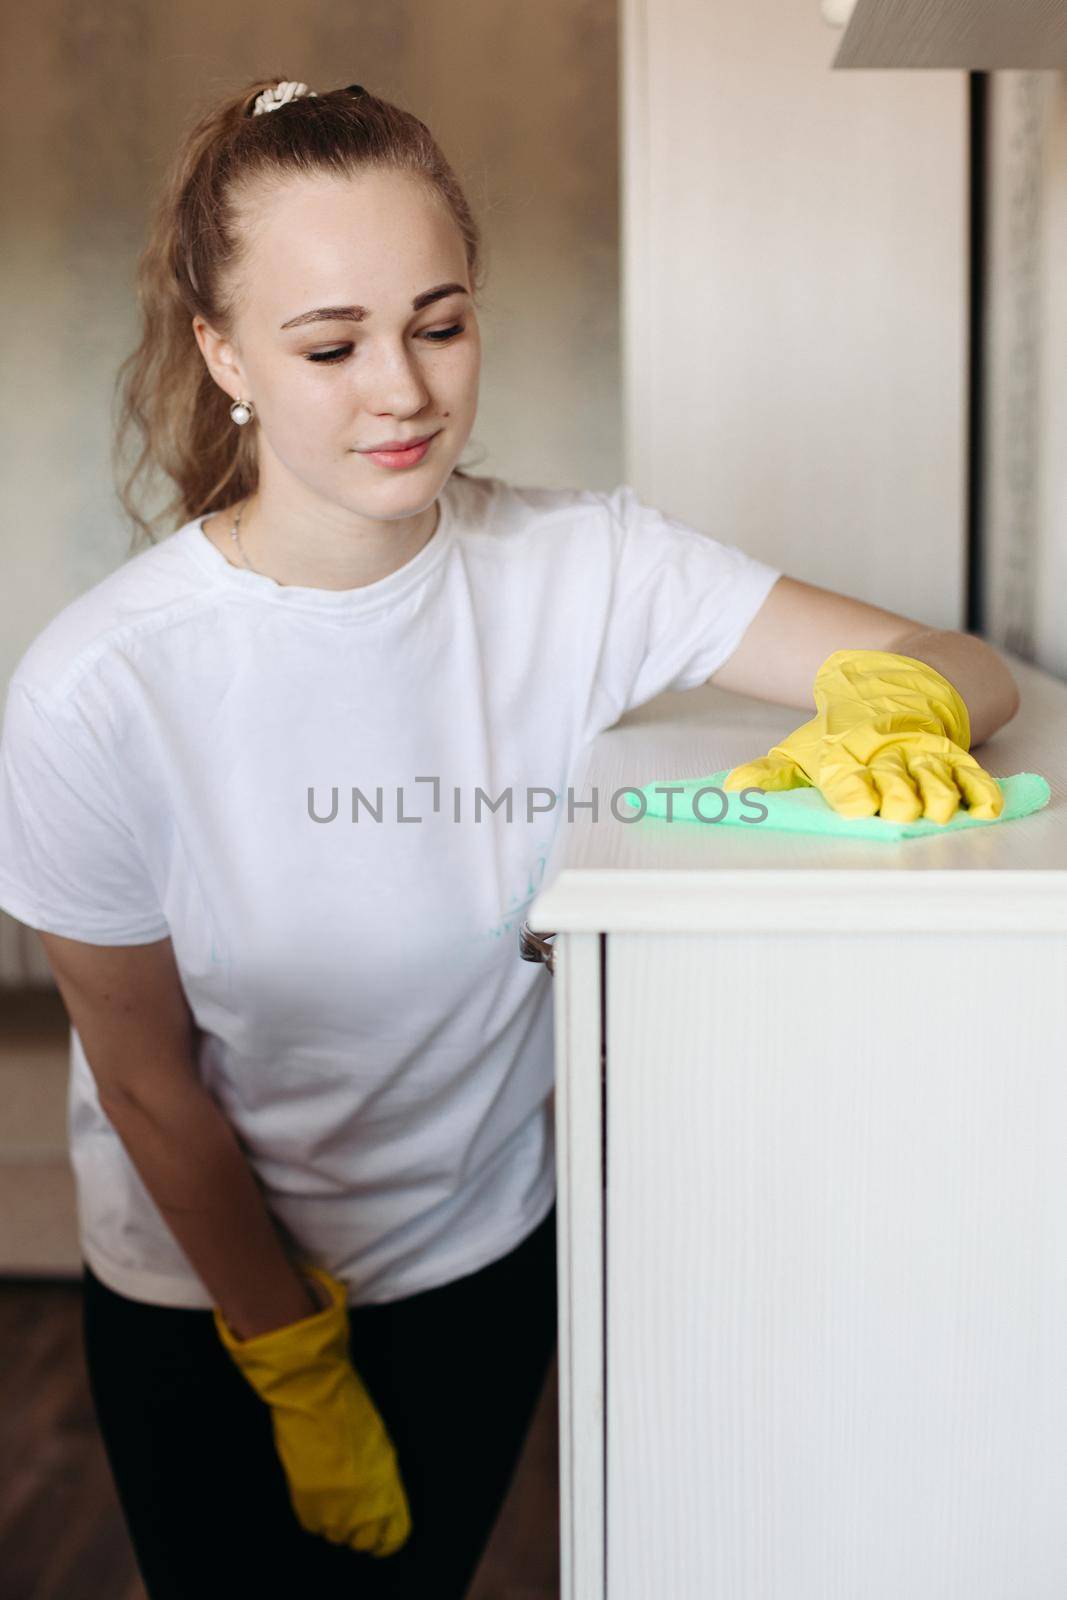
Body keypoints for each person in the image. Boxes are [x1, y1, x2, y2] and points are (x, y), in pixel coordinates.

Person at [0, 75, 1020, 1600]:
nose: (400, 390)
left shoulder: (583, 569)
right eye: (330, 345)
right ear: (225, 356)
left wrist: (889, 708)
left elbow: (977, 667)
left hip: (479, 1261)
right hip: (209, 1305)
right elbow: (147, 1085)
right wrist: (288, 1356)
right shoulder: (102, 686)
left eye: (440, 322)